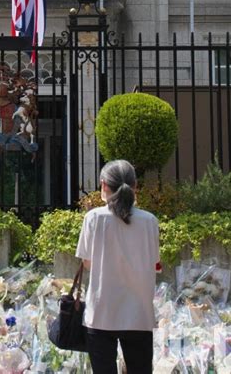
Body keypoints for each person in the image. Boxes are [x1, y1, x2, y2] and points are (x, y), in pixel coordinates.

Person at [75, 159, 159, 374]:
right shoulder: (149, 221)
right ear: (135, 186)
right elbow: (154, 264)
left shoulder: (93, 218)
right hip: (139, 313)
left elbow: (87, 262)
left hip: (102, 311)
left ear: (103, 185)